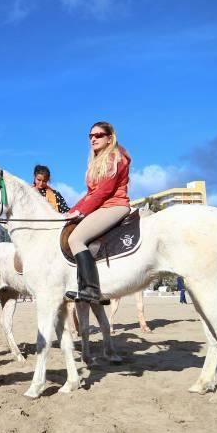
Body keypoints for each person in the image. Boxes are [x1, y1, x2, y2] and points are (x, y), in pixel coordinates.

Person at [64, 121, 131, 304]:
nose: (93, 139)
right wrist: (70, 213)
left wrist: (81, 211)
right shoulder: (97, 161)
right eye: (90, 136)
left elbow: (104, 191)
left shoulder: (116, 158)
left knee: (75, 239)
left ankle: (92, 290)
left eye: (99, 135)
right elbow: (90, 194)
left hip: (115, 205)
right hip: (103, 205)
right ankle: (84, 285)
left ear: (110, 138)